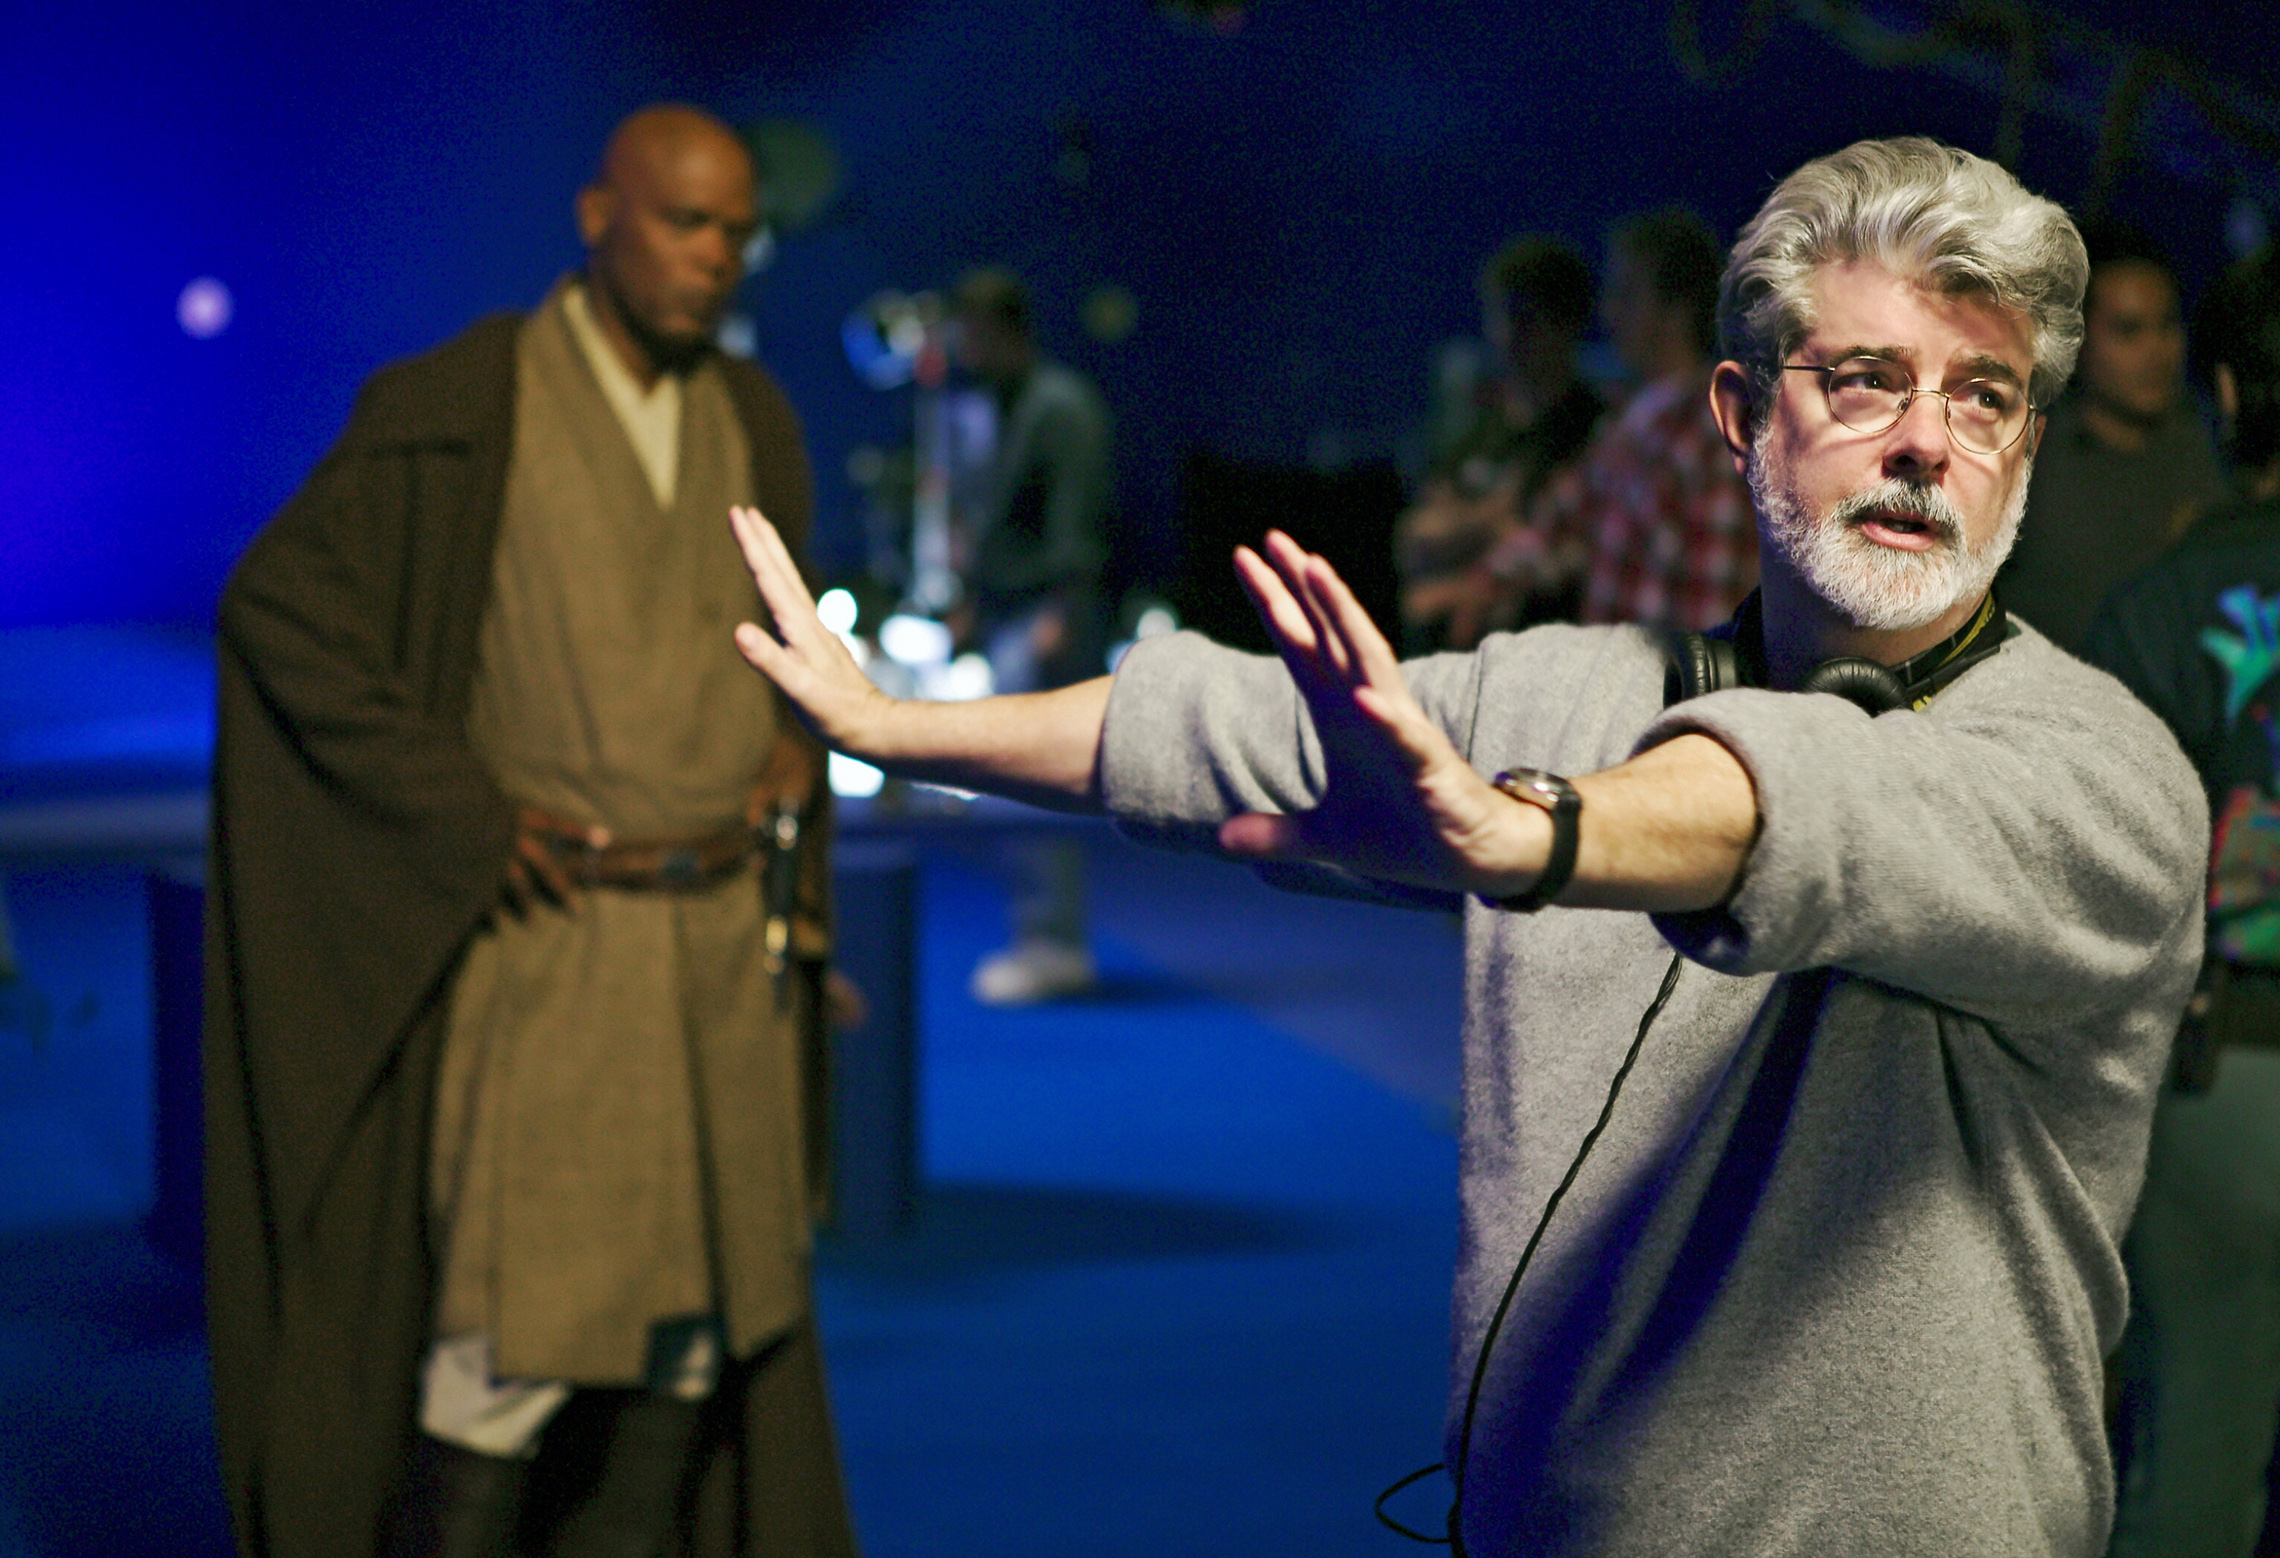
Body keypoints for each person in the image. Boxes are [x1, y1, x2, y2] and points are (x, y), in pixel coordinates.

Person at [727, 136, 2205, 1555]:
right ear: (1744, 417)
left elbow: (1836, 802)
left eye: (1987, 397)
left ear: (2024, 448)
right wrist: (895, 729)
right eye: (1869, 380)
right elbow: (1216, 725)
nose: (1928, 446)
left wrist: (1536, 829)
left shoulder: (2102, 771)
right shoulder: (1566, 689)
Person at [206, 105, 859, 1558]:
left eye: (737, 232)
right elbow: (283, 609)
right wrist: (459, 814)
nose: (714, 258)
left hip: (712, 966)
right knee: (505, 1351)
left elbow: (785, 649)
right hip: (557, 954)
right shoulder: (464, 402)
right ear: (595, 215)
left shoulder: (751, 417)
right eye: (685, 222)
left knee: (689, 1350)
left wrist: (781, 764)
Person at [2083, 244, 2280, 1558]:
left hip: (2227, 1086)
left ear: (2220, 385)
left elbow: (2104, 895)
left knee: (2200, 1463)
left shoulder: (2150, 611)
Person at [1444, 209, 1759, 641]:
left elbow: (1713, 608)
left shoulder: (1711, 436)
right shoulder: (1626, 422)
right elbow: (1557, 522)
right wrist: (1484, 585)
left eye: (1627, 295)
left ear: (1678, 310)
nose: (1608, 314)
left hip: (1660, 694)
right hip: (1609, 685)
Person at [948, 266, 1114, 1005]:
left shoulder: (1060, 407)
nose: (965, 348)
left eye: (977, 333)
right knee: (1018, 788)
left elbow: (1080, 521)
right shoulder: (999, 405)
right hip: (1013, 616)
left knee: (1040, 788)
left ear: (1008, 332)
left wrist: (1062, 612)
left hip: (1047, 621)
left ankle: (1053, 943)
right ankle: (1040, 935)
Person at [2002, 221, 2228, 652]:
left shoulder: (2210, 449)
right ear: (2077, 340)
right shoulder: (2028, 457)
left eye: (2167, 325)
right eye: (2128, 331)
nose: (2157, 350)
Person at [1396, 237, 1605, 649]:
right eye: (1501, 316)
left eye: (1526, 318)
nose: (1509, 334)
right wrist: (1491, 519)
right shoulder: (1478, 431)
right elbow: (1413, 542)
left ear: (1565, 325)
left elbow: (1564, 556)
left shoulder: (1595, 432)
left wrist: (1462, 533)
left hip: (1539, 653)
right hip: (1447, 653)